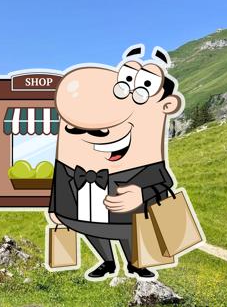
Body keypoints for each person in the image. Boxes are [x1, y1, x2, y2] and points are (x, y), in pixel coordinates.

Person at [48, 45, 183, 280]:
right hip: (85, 210)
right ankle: (107, 261)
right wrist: (54, 208)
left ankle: (135, 263)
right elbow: (60, 179)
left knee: (127, 231)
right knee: (92, 230)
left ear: (167, 105)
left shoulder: (146, 164)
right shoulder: (70, 163)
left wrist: (141, 195)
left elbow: (164, 180)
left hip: (126, 213)